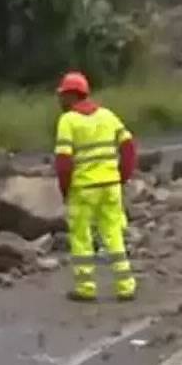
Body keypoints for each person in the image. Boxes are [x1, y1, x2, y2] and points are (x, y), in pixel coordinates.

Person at [53, 71, 137, 302]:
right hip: (110, 186)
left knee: (81, 237)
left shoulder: (68, 121)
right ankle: (125, 286)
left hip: (83, 189)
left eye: (63, 95)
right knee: (113, 233)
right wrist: (122, 176)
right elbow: (129, 147)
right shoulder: (108, 116)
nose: (60, 100)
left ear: (71, 95)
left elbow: (63, 162)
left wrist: (65, 189)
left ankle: (86, 288)